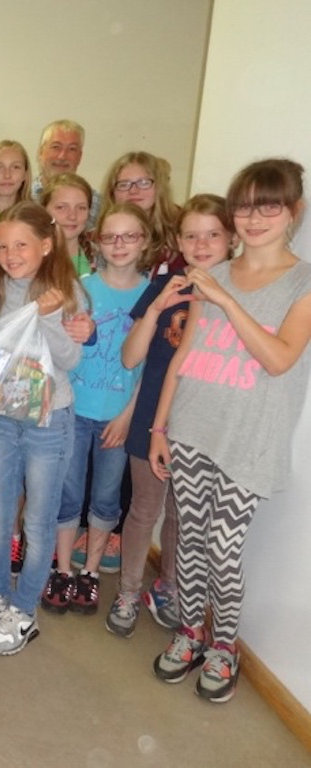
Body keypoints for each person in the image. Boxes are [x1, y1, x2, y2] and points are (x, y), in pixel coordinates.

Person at [150, 159, 311, 703]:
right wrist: (159, 428)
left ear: (294, 211)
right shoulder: (214, 273)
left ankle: (225, 645)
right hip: (192, 427)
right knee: (190, 541)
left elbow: (279, 359)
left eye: (270, 206)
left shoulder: (303, 281)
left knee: (223, 546)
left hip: (250, 440)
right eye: (244, 206)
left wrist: (226, 301)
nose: (254, 218)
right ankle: (190, 631)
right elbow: (184, 357)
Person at [105, 194, 234, 639]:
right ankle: (128, 591)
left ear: (231, 239)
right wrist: (157, 308)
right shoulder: (165, 285)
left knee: (183, 515)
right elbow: (130, 358)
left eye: (213, 234)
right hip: (152, 414)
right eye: (191, 235)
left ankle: (169, 586)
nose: (201, 245)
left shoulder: (237, 294)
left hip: (201, 421)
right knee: (144, 508)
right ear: (178, 240)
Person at [0, 201, 86, 655]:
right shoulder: (3, 286)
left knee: (37, 519)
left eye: (21, 245)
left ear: (46, 245)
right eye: (3, 246)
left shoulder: (66, 291)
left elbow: (69, 359)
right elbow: (0, 349)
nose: (11, 255)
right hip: (7, 416)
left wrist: (48, 316)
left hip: (50, 421)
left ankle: (23, 607)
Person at [42, 203, 148, 616]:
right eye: (110, 236)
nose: (119, 245)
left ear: (144, 241)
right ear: (96, 242)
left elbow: (150, 368)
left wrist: (127, 416)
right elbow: (58, 350)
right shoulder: (79, 288)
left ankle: (90, 571)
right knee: (68, 492)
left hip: (118, 416)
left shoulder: (151, 296)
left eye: (129, 236)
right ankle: (63, 569)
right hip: (73, 410)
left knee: (105, 497)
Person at [100, 151, 183, 274]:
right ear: (112, 192)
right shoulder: (97, 239)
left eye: (144, 183)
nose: (133, 191)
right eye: (124, 184)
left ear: (160, 187)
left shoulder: (181, 232)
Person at [30, 120, 101, 228]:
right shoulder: (21, 196)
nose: (62, 156)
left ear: (80, 157)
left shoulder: (97, 205)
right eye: (56, 147)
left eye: (72, 149)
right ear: (40, 152)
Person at [42, 173, 96, 277]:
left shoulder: (102, 258)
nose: (72, 216)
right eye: (61, 207)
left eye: (81, 208)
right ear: (44, 210)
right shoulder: (30, 256)